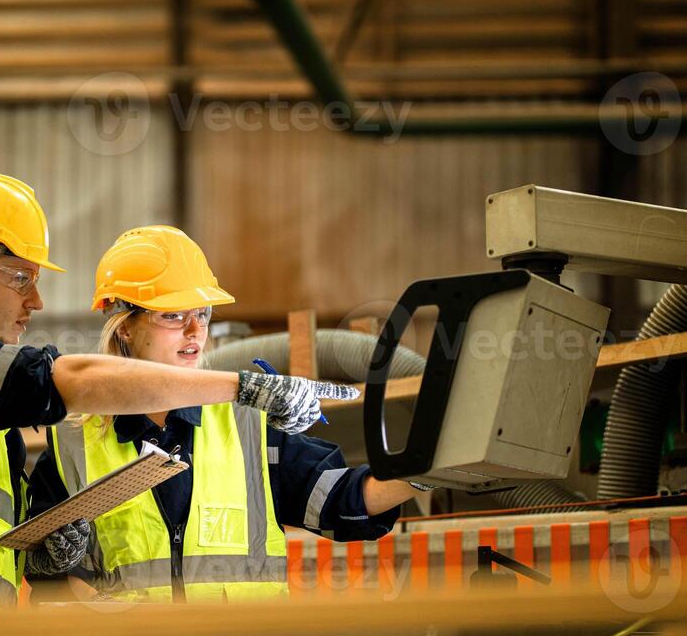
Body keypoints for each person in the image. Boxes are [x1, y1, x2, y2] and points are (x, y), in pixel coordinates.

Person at [0, 174, 356, 614]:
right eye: (20, 277)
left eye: (203, 317)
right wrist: (243, 386)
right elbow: (66, 382)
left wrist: (48, 554)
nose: (37, 300)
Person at [28, 225, 422, 604]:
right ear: (124, 327)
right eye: (173, 316)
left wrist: (433, 468)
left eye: (201, 314)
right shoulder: (73, 443)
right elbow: (48, 579)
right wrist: (59, 572)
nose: (194, 331)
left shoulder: (246, 424)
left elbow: (344, 498)